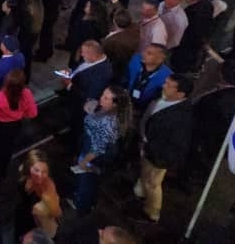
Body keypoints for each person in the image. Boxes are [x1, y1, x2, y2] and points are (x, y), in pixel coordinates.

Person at [134, 74, 194, 222]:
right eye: (165, 82)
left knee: (153, 184)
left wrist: (152, 151)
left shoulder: (181, 117)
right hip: (148, 148)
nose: (163, 86)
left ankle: (152, 212)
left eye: (168, 85)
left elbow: (173, 145)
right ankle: (141, 193)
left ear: (180, 94)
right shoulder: (163, 97)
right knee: (145, 175)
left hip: (157, 156)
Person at [74, 86, 131, 215]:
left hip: (93, 157)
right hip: (90, 148)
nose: (101, 98)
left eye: (106, 98)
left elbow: (98, 148)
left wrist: (84, 162)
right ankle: (88, 201)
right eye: (103, 94)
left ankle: (82, 207)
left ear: (115, 104)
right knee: (90, 181)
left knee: (86, 182)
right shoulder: (110, 112)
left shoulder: (110, 124)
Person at [0, 69, 37, 185]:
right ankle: (2, 172)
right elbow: (33, 113)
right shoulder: (27, 94)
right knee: (7, 149)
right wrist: (21, 114)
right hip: (15, 125)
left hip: (0, 126)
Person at [15, 149, 62, 238]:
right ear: (29, 167)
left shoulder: (48, 189)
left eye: (44, 171)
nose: (40, 175)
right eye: (36, 170)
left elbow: (56, 212)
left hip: (41, 223)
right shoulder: (23, 177)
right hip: (26, 216)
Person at [126, 43, 173, 112]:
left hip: (145, 109)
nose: (143, 54)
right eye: (144, 51)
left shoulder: (167, 76)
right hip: (127, 100)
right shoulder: (135, 60)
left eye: (149, 53)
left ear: (160, 59)